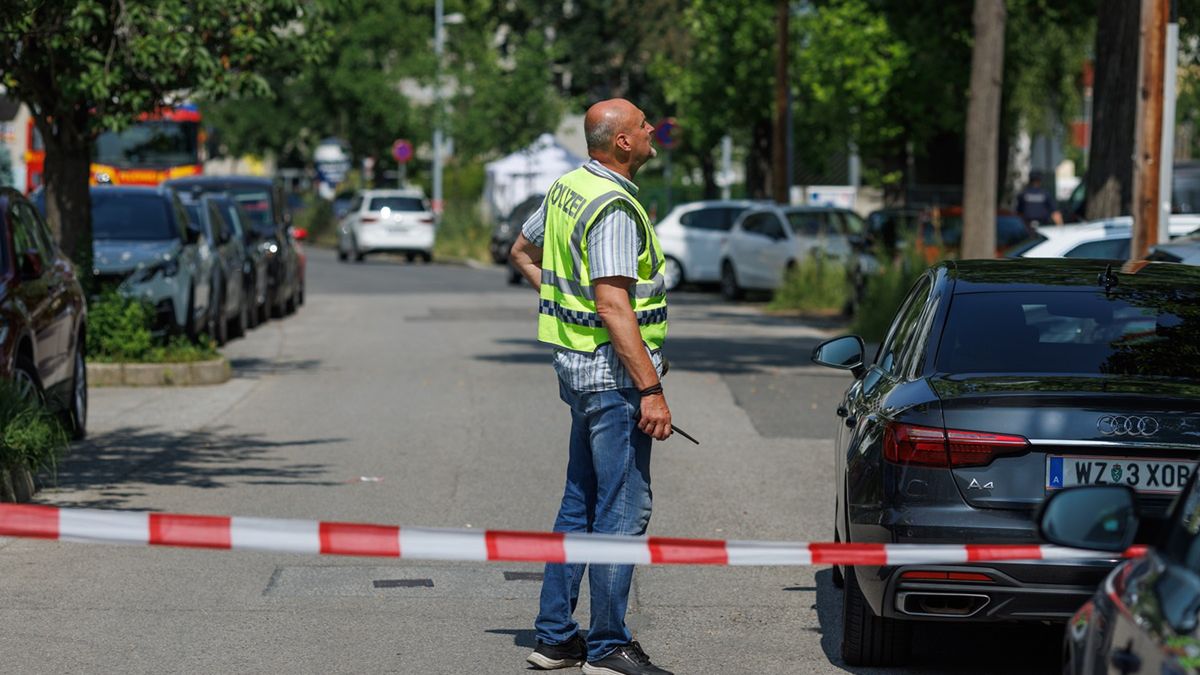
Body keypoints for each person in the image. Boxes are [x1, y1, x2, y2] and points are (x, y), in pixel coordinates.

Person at [509, 98, 674, 675]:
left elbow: (521, 251)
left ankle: (554, 638)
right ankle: (607, 646)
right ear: (623, 143)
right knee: (622, 509)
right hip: (613, 380)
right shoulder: (611, 207)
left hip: (578, 373)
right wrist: (649, 390)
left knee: (579, 503)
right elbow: (613, 305)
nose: (653, 129)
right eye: (642, 124)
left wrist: (563, 299)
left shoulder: (570, 187)